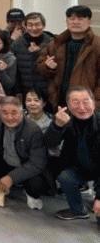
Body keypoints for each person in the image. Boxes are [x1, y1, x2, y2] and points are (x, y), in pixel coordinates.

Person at [0, 96, 49, 210]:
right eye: (5, 113)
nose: (9, 117)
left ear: (22, 112)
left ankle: (25, 189)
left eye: (14, 112)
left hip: (24, 165)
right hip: (4, 162)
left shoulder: (33, 131)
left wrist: (12, 177)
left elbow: (37, 163)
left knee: (36, 184)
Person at [45, 86, 100, 223]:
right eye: (75, 102)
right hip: (79, 167)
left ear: (94, 103)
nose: (81, 107)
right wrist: (57, 125)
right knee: (65, 177)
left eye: (86, 102)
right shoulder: (66, 121)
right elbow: (49, 143)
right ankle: (78, 210)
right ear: (69, 106)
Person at [36, 5, 100, 110]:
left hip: (85, 104)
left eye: (80, 18)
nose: (76, 22)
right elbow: (39, 65)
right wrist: (47, 67)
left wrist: (95, 101)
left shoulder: (96, 45)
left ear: (89, 21)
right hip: (59, 101)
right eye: (72, 18)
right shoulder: (57, 43)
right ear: (67, 21)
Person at [11, 12, 54, 99]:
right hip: (25, 92)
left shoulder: (53, 43)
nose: (34, 28)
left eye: (37, 24)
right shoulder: (17, 44)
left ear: (44, 25)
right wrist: (17, 91)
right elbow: (14, 72)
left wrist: (39, 52)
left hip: (47, 92)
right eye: (30, 25)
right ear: (25, 26)